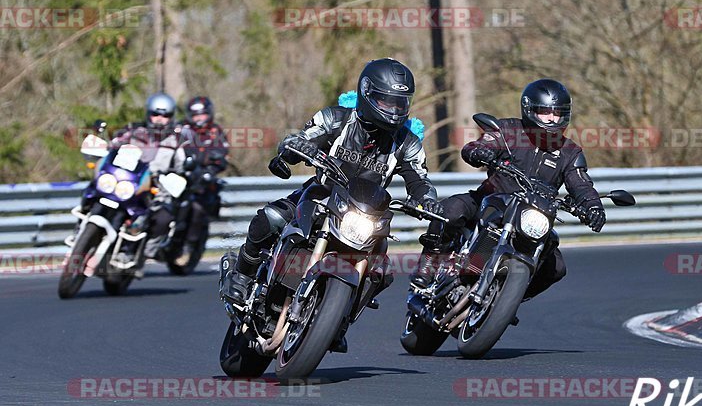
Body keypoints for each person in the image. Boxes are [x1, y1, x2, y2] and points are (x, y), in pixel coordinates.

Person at [221, 58, 443, 307]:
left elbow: (420, 180)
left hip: (368, 213)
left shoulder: (408, 143)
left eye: (400, 103)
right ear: (366, 92)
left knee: (380, 272)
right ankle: (241, 275)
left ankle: (340, 318)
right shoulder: (335, 118)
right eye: (386, 101)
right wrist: (296, 146)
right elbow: (303, 137)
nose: (393, 110)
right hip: (322, 194)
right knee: (272, 217)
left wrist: (427, 201)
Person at [409, 78, 606, 294]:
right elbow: (479, 145)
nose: (552, 118)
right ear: (529, 109)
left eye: (557, 113)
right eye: (545, 112)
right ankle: (429, 265)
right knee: (450, 211)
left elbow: (581, 184)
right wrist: (479, 151)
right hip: (489, 200)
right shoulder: (508, 130)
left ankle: (509, 298)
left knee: (556, 268)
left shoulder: (570, 152)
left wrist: (593, 206)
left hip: (532, 216)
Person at [109, 92, 187, 260]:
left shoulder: (177, 141)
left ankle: (145, 252)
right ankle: (82, 230)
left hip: (155, 192)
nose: (159, 119)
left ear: (171, 117)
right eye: (155, 114)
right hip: (127, 182)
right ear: (148, 114)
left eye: (164, 115)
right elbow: (113, 145)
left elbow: (182, 167)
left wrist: (183, 171)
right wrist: (106, 148)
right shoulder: (133, 130)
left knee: (163, 218)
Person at [175, 96, 230, 266]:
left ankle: (188, 246)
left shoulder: (216, 132)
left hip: (202, 181)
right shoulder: (180, 130)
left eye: (203, 115)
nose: (199, 118)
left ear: (209, 115)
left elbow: (222, 157)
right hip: (179, 176)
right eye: (195, 115)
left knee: (198, 208)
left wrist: (210, 171)